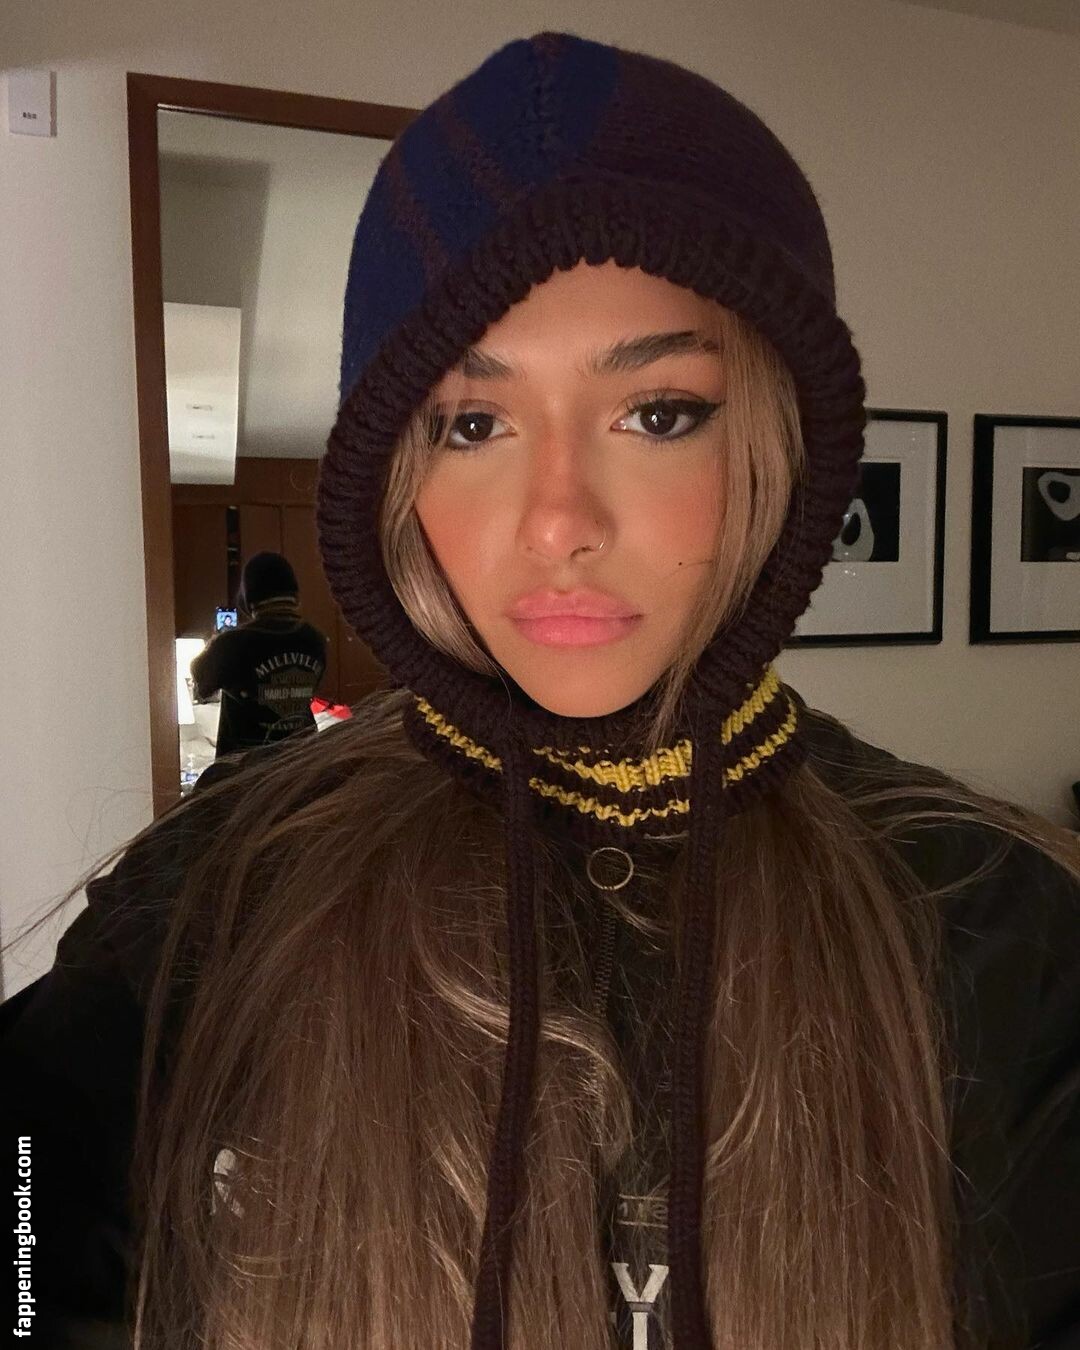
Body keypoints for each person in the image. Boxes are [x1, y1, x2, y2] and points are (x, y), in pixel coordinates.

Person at [2, 31, 1078, 1350]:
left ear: (785, 443)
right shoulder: (222, 892)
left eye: (659, 412)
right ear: (393, 473)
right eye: (474, 423)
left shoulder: (998, 928)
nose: (559, 520)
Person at [189, 551, 328, 758]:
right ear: (295, 595)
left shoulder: (233, 643)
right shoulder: (316, 639)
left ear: (249, 598)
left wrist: (217, 640)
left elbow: (201, 682)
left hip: (248, 768)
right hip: (301, 761)